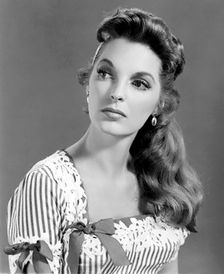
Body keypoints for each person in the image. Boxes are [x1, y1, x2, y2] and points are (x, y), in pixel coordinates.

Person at [4, 7, 203, 274]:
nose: (116, 93)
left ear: (159, 104)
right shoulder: (48, 184)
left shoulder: (159, 178)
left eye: (139, 83)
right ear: (88, 84)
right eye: (105, 73)